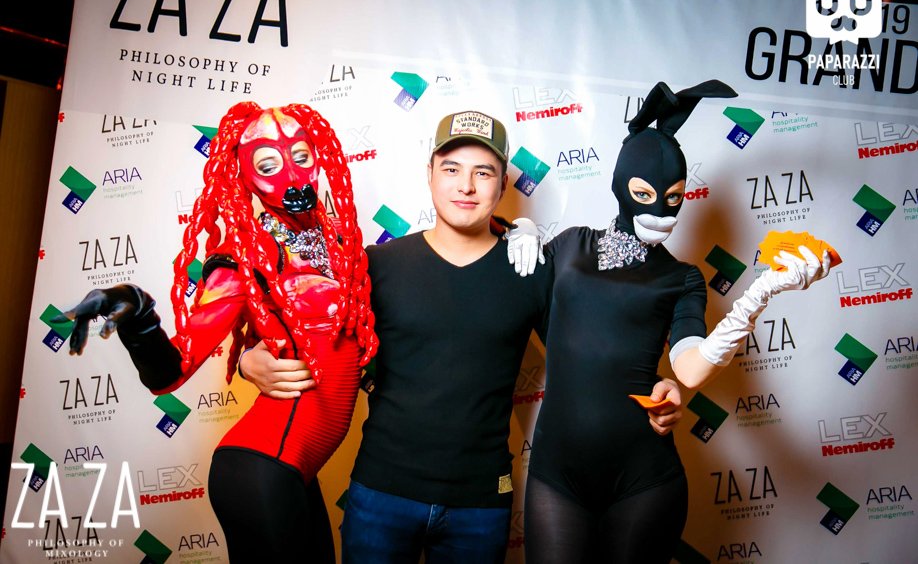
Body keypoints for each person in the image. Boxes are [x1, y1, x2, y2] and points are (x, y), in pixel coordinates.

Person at [240, 110, 684, 563]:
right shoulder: (377, 265)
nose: (466, 186)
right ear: (430, 174)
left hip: (480, 506)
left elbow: (590, 352)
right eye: (451, 169)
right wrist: (247, 359)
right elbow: (309, 334)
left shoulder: (531, 270)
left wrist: (657, 383)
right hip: (381, 494)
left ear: (503, 185)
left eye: (483, 172)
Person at [517, 80, 833, 563]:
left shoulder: (682, 278)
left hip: (643, 482)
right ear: (621, 185)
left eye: (674, 197)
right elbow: (516, 307)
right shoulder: (571, 246)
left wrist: (760, 293)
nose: (662, 211)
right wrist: (518, 230)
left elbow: (689, 370)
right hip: (556, 477)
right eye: (645, 193)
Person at [56, 102, 377, 563]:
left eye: (301, 156)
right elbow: (172, 372)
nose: (291, 175)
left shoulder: (343, 245)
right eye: (268, 165)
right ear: (245, 177)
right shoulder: (242, 259)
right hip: (259, 471)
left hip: (298, 471)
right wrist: (138, 312)